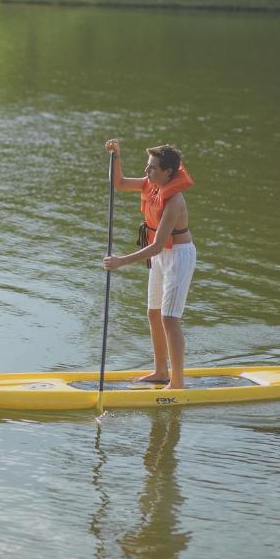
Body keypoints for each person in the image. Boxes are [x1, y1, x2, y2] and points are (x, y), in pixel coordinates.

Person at [102, 139, 196, 390]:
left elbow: (156, 245)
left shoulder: (175, 201)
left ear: (168, 172)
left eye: (152, 168)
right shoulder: (151, 186)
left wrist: (121, 261)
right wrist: (116, 156)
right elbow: (118, 183)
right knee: (153, 313)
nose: (147, 172)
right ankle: (160, 371)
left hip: (178, 256)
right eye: (147, 166)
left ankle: (177, 383)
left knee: (170, 319)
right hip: (160, 257)